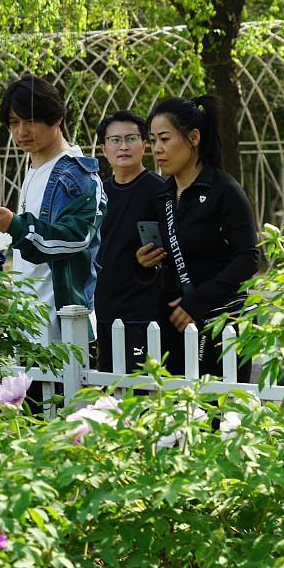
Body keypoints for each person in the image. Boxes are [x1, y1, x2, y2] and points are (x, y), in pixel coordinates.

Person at [0, 75, 105, 402]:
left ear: (57, 118)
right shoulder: (34, 165)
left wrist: (15, 226)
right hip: (29, 327)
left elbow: (77, 237)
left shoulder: (76, 173)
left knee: (69, 430)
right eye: (14, 123)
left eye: (30, 122)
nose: (21, 132)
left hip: (64, 329)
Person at [135, 95, 260, 381]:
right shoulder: (162, 195)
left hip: (220, 322)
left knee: (219, 416)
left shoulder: (224, 190)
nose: (157, 149)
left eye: (164, 139)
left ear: (193, 138)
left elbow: (248, 258)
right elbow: (166, 263)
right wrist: (143, 265)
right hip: (173, 324)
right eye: (153, 141)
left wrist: (198, 301)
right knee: (178, 415)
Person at [93, 110, 165, 372]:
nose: (123, 146)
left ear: (145, 145)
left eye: (131, 138)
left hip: (142, 312)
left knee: (140, 391)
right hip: (103, 308)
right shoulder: (98, 193)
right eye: (114, 140)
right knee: (107, 388)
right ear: (103, 148)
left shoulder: (160, 191)